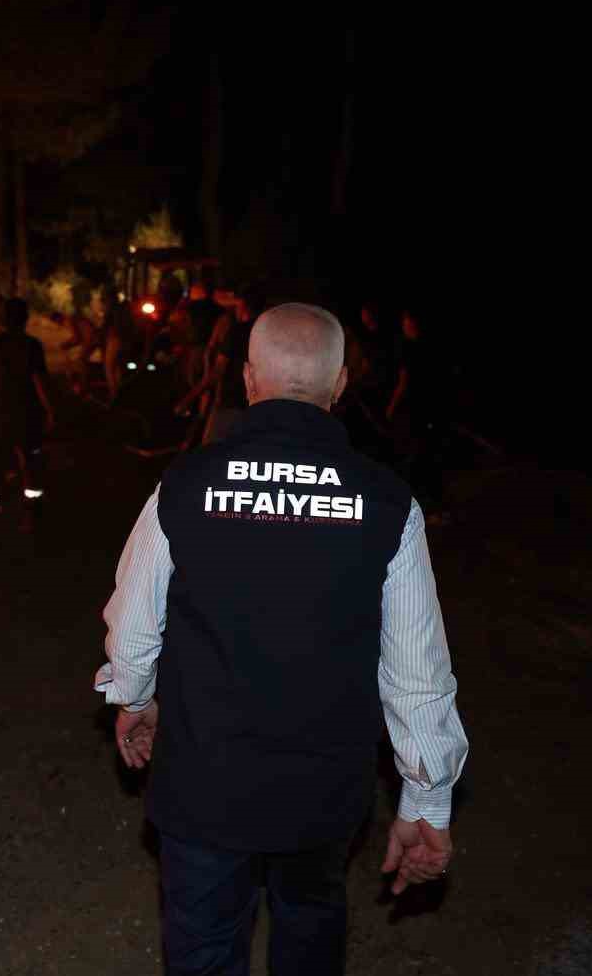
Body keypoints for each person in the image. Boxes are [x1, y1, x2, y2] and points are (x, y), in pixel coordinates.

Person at [95, 302, 468, 976]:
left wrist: (132, 697)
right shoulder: (387, 504)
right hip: (321, 796)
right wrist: (427, 800)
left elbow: (133, 623)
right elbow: (417, 673)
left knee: (203, 944)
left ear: (245, 379)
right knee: (310, 929)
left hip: (203, 784)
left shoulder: (183, 485)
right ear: (341, 384)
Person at [0, 297, 54, 535]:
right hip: (26, 414)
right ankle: (31, 517)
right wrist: (52, 410)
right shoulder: (32, 346)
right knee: (30, 463)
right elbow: (39, 381)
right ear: (25, 319)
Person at [388, 308, 450, 523]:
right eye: (405, 321)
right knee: (421, 457)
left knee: (422, 458)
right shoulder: (411, 347)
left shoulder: (415, 348)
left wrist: (392, 407)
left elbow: (404, 383)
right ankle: (427, 507)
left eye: (409, 321)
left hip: (421, 410)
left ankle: (430, 507)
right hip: (420, 410)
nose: (407, 326)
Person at [174, 290, 258, 446]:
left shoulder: (237, 331)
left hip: (231, 401)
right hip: (256, 403)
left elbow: (218, 371)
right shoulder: (265, 331)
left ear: (243, 305)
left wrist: (188, 399)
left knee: (210, 451)